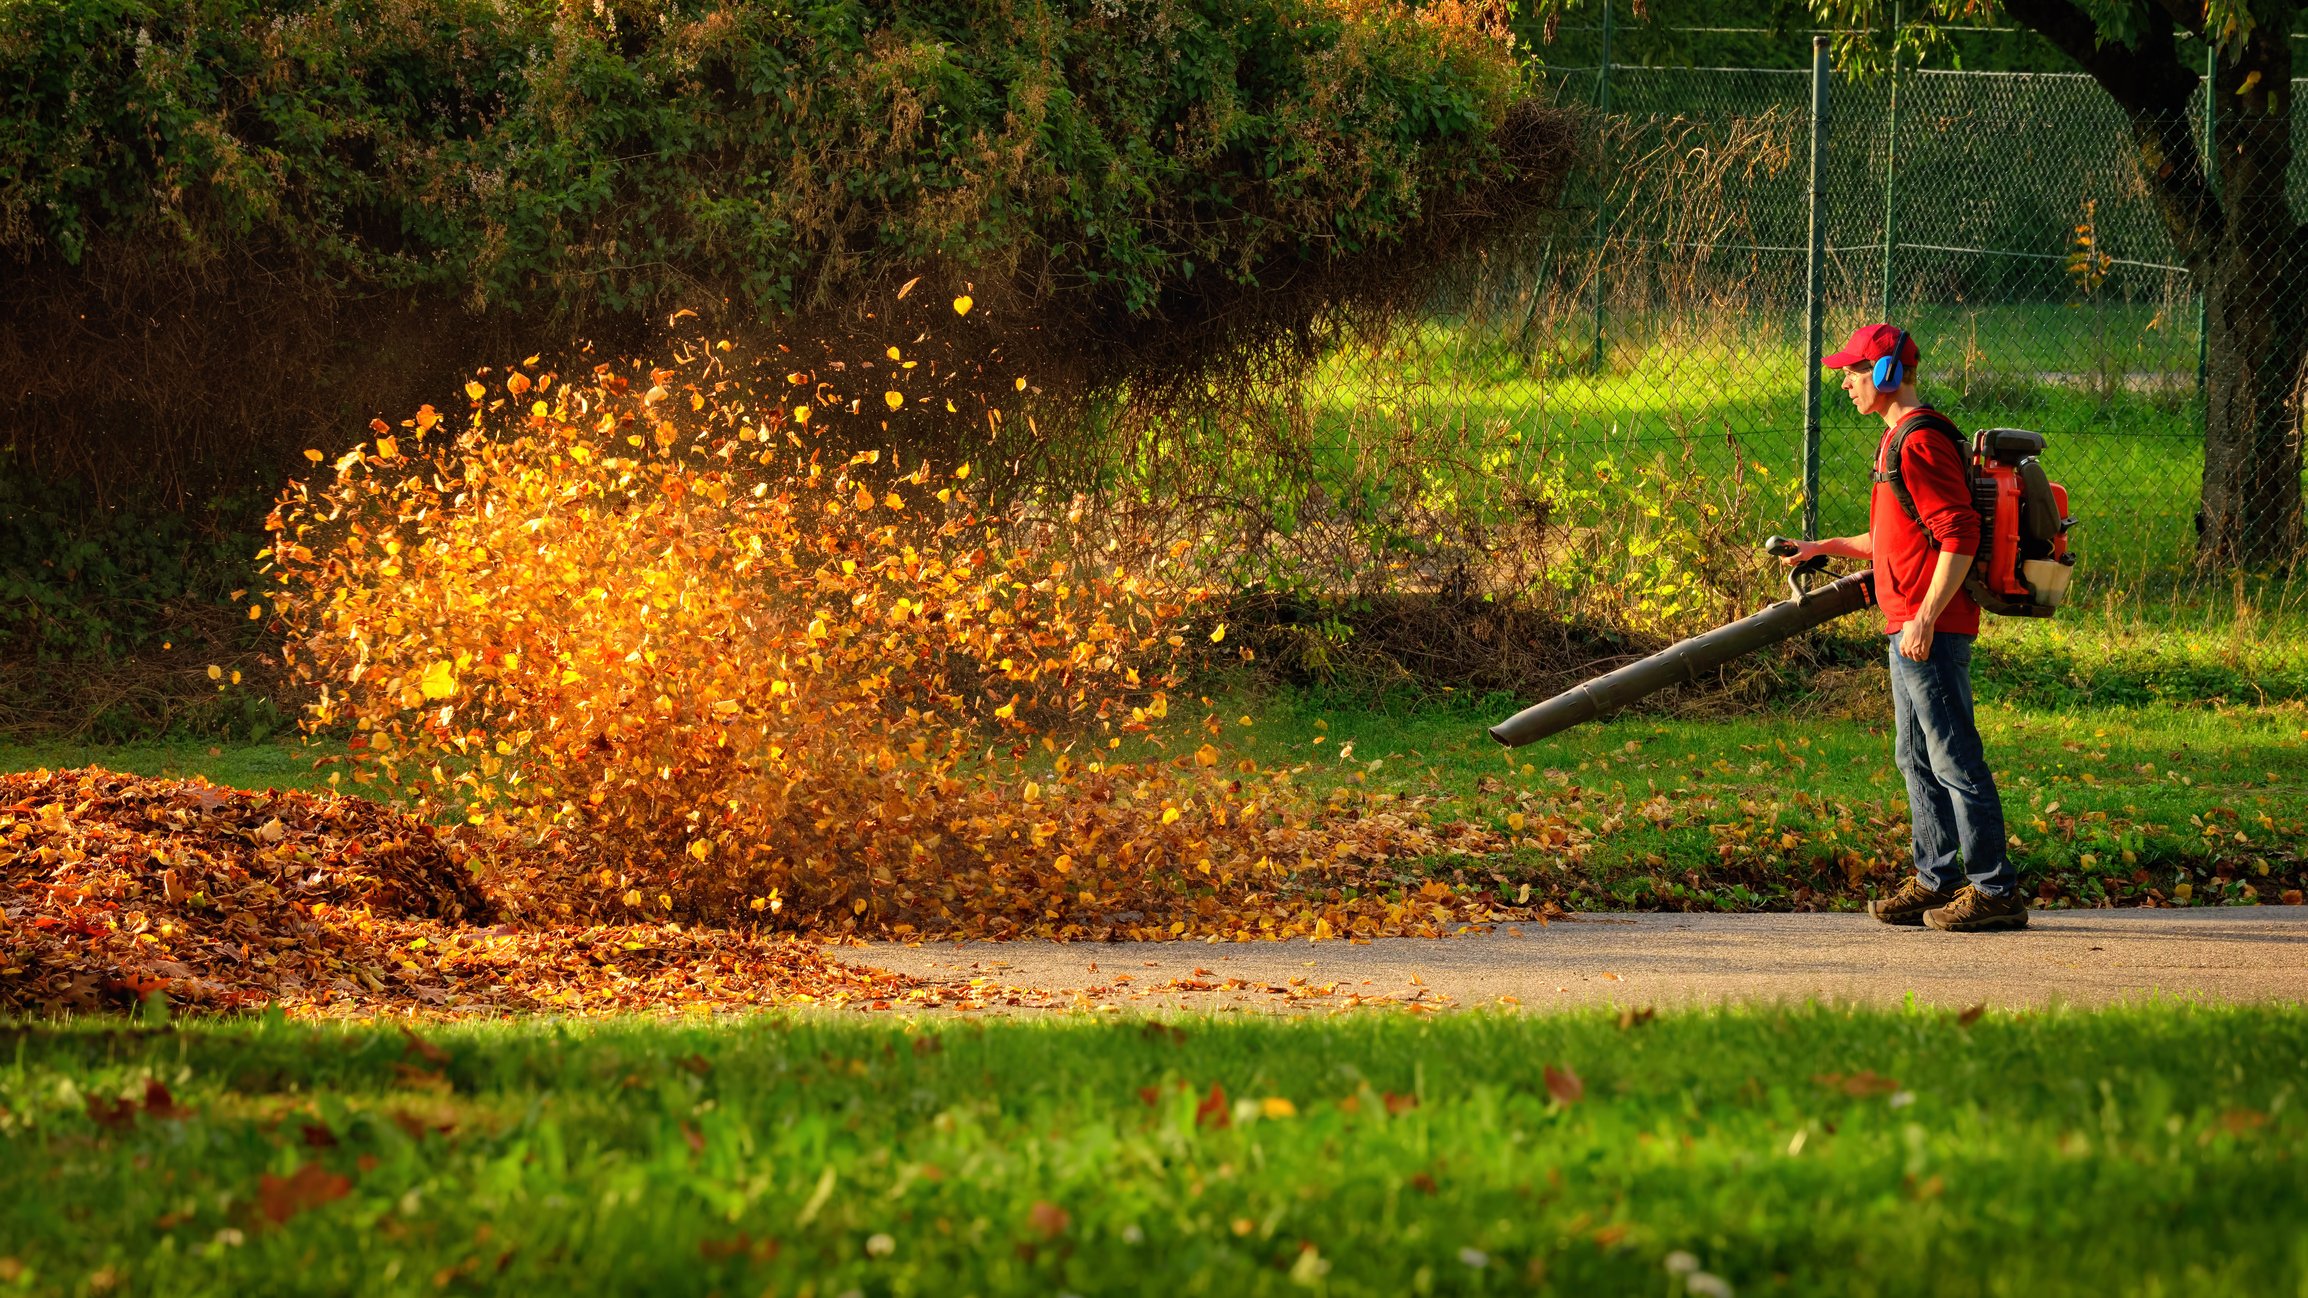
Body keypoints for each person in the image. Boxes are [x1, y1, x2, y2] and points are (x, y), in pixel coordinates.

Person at [1780, 324, 2026, 932]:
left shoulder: (1917, 444)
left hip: (1928, 629)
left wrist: (1925, 616)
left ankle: (1995, 889)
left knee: (1953, 757)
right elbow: (1895, 535)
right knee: (1915, 757)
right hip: (1909, 624)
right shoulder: (1897, 443)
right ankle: (1935, 880)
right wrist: (1825, 546)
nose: (1845, 382)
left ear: (1887, 374)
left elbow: (1959, 533)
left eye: (1855, 372)